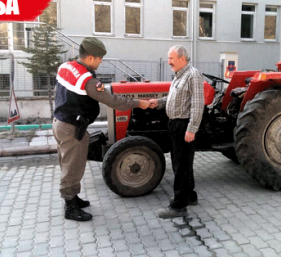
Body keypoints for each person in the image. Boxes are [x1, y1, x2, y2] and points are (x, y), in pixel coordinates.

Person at [53, 37, 150, 221]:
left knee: (67, 163)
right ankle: (70, 206)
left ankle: (73, 197)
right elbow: (112, 101)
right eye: (99, 58)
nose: (100, 62)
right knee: (72, 167)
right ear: (90, 58)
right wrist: (139, 103)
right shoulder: (87, 79)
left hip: (60, 122)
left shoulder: (65, 66)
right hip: (72, 128)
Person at [149, 45, 204, 219]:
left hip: (183, 125)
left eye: (171, 58)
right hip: (174, 124)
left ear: (182, 58)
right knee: (183, 163)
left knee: (180, 166)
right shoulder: (179, 76)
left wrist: (192, 128)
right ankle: (190, 195)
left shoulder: (192, 75)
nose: (169, 61)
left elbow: (197, 104)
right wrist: (157, 102)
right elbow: (173, 99)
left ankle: (179, 206)